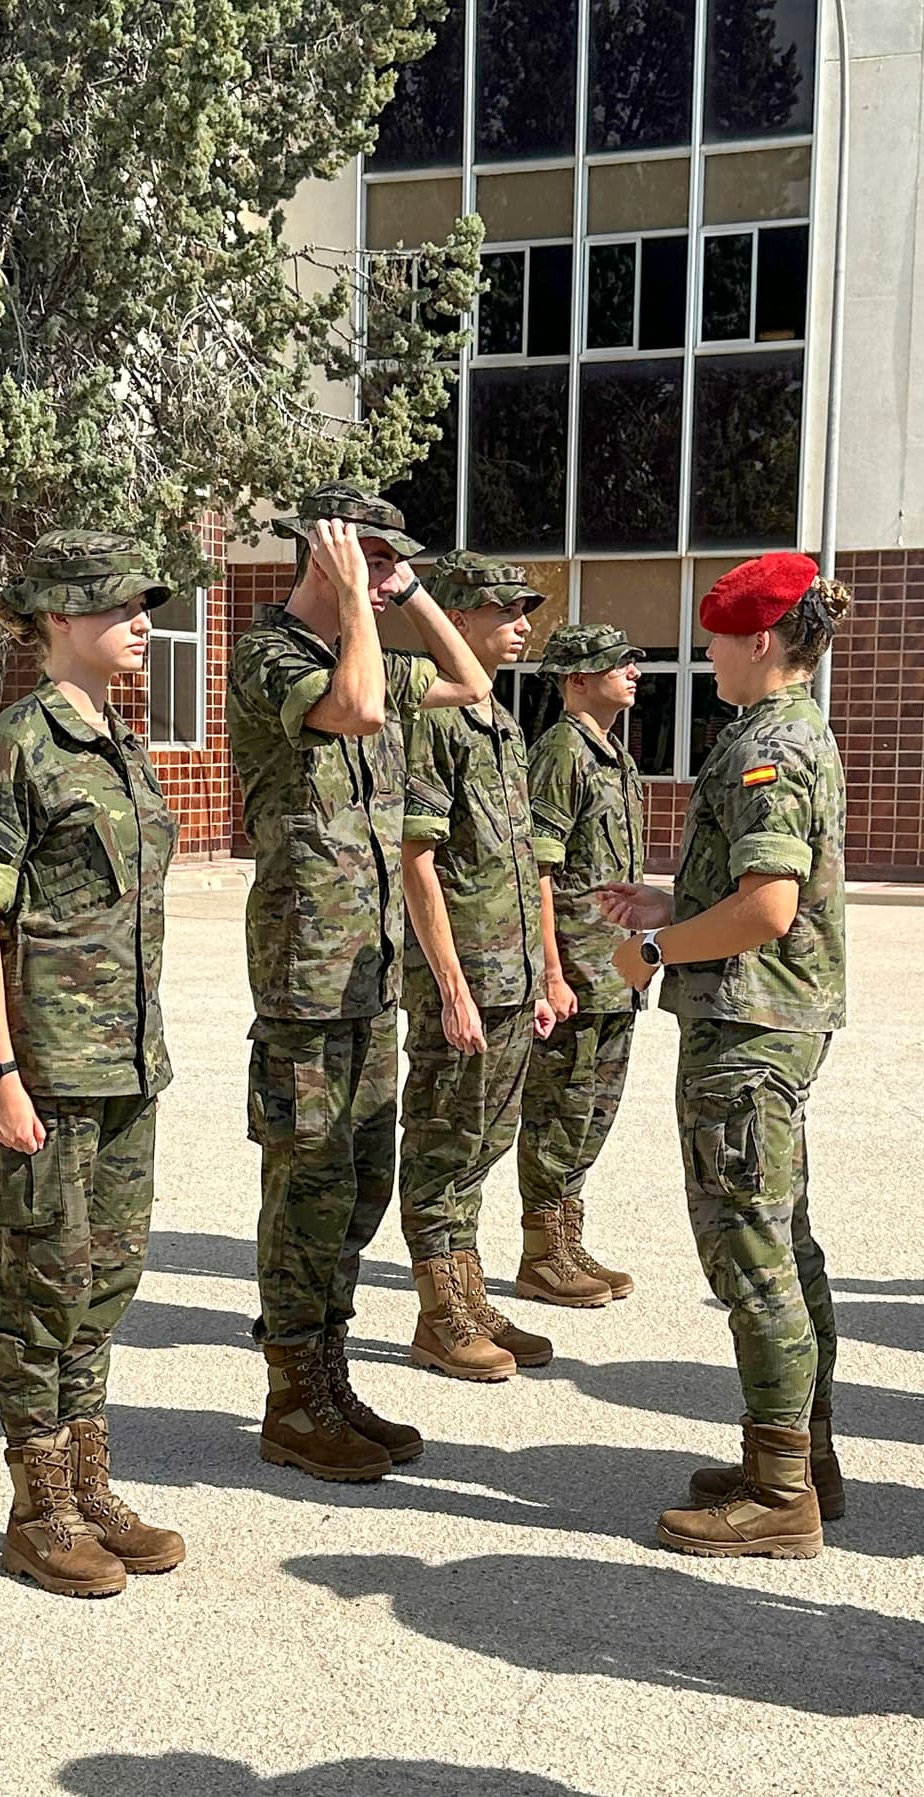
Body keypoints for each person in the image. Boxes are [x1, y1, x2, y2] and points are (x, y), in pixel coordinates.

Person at [228, 483, 491, 1483]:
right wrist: (349, 597)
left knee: (356, 1189)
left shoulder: (364, 636)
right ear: (326, 555)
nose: (386, 581)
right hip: (303, 975)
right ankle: (291, 1400)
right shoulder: (272, 658)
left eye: (391, 566)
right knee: (306, 1187)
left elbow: (468, 685)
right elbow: (363, 707)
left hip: (365, 973)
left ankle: (330, 1383)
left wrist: (412, 593)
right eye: (375, 561)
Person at [0, 529, 185, 1599]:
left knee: (106, 1281)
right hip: (44, 1069)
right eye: (120, 605)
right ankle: (37, 1506)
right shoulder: (16, 745)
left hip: (127, 1067)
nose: (141, 622)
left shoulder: (120, 744)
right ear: (56, 621)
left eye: (144, 606)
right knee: (42, 1284)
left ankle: (87, 1484)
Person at [603, 552, 851, 1560]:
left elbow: (767, 909)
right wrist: (672, 907)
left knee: (747, 1247)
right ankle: (801, 1460)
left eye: (711, 636)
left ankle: (778, 1491)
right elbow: (752, 893)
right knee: (780, 1238)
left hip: (747, 1034)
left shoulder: (772, 748)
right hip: (764, 1020)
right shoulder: (775, 732)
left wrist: (653, 950)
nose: (700, 653)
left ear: (758, 639)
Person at [397, 553, 556, 1379]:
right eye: (505, 609)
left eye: (525, 609)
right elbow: (416, 858)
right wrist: (453, 986)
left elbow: (519, 861)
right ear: (457, 619)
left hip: (509, 977)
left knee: (485, 1140)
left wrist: (538, 973)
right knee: (439, 1142)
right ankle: (439, 1314)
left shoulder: (502, 720)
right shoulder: (434, 718)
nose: (523, 622)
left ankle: (469, 1290)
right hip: (459, 979)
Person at [515, 624, 646, 1308]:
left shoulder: (612, 756)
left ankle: (566, 1238)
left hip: (615, 970)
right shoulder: (561, 753)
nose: (633, 669)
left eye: (632, 661)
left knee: (595, 1111)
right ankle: (542, 1254)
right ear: (575, 679)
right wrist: (550, 972)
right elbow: (538, 869)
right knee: (559, 1110)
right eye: (617, 662)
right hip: (577, 972)